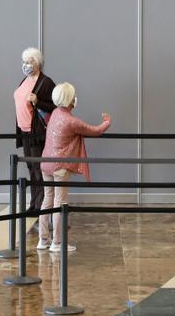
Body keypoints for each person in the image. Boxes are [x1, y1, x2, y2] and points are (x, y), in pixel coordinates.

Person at [39, 82, 111, 253]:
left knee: (47, 200)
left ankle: (43, 240)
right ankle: (57, 242)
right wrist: (107, 122)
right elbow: (94, 130)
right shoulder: (71, 120)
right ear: (70, 99)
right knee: (60, 203)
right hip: (60, 167)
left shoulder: (55, 113)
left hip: (45, 163)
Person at [14, 47, 56, 214]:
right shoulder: (24, 80)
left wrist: (38, 101)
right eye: (24, 61)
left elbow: (56, 107)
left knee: (39, 170)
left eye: (29, 61)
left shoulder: (46, 82)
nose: (26, 65)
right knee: (31, 169)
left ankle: (41, 208)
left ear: (38, 63)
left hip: (37, 134)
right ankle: (34, 204)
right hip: (24, 133)